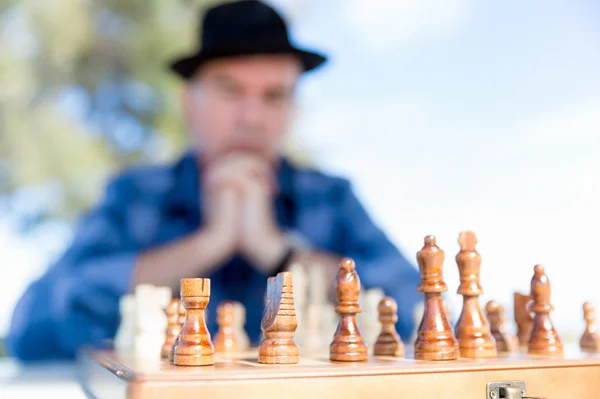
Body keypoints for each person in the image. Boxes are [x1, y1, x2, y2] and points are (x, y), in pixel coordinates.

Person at [6, 0, 420, 361]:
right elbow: (31, 327)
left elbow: (422, 312)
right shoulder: (135, 195)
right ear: (190, 102)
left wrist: (277, 251)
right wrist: (210, 243)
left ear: (293, 107)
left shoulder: (331, 197)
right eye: (230, 90)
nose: (251, 117)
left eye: (273, 96)